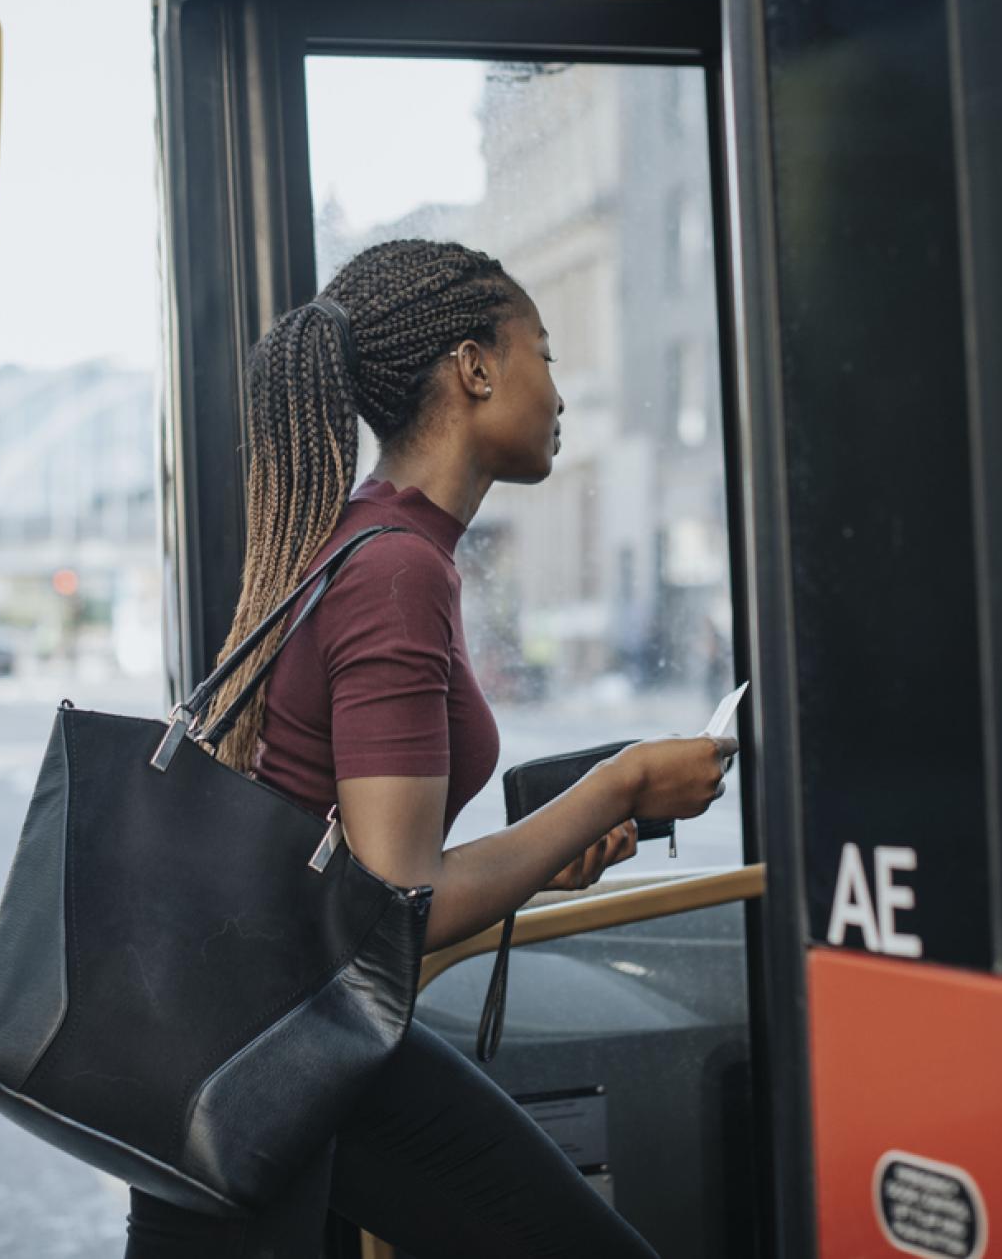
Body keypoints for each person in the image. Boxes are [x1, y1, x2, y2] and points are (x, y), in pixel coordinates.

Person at [125, 240, 736, 1258]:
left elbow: (375, 876)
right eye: (542, 350)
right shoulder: (396, 570)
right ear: (475, 367)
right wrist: (617, 781)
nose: (560, 390)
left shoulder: (376, 542)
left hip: (277, 1038)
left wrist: (549, 850)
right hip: (290, 1049)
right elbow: (399, 896)